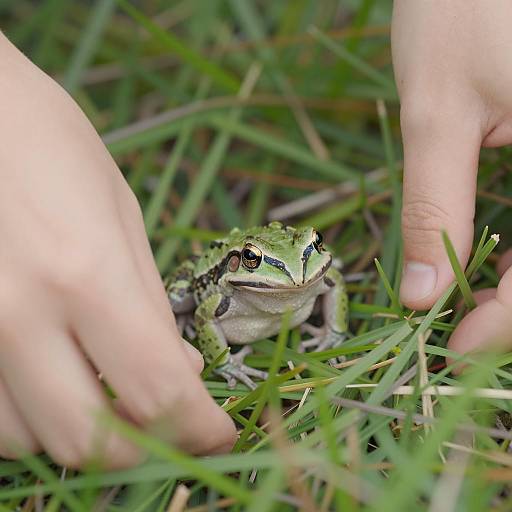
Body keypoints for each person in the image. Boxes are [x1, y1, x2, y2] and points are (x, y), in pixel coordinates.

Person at [1, 0, 511, 468]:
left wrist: (334, 332)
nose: (300, 269)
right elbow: (203, 313)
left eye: (314, 249)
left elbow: (331, 284)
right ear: (244, 261)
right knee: (176, 299)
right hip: (224, 288)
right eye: (255, 259)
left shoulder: (319, 277)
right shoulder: (221, 297)